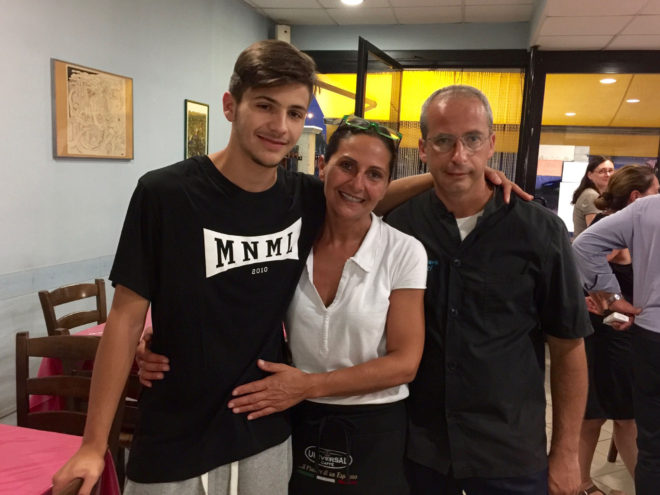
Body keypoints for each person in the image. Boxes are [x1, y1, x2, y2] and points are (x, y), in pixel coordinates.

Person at [53, 40, 522, 495]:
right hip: (174, 433)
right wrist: (94, 445)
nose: (280, 126)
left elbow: (363, 192)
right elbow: (124, 319)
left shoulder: (301, 198)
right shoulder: (165, 194)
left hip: (264, 431)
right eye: (264, 106)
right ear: (230, 105)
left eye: (295, 113)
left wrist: (464, 174)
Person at [386, 85, 591, 495]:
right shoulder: (399, 226)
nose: (459, 155)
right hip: (420, 448)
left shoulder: (540, 231)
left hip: (508, 450)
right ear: (423, 149)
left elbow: (568, 347)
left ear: (492, 144)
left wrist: (566, 454)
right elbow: (346, 205)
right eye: (444, 141)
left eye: (472, 139)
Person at [225, 116, 427, 494]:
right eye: (347, 166)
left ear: (385, 185)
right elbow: (234, 304)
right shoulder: (288, 241)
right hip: (295, 417)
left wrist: (309, 385)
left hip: (374, 426)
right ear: (323, 166)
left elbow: (405, 363)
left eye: (374, 174)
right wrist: (167, 334)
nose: (357, 184)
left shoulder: (403, 251)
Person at [577, 165, 658, 495]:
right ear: (637, 196)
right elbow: (580, 266)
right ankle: (581, 482)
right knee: (601, 412)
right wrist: (609, 301)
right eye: (656, 190)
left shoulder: (634, 222)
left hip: (631, 334)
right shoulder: (628, 229)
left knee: (626, 417)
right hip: (613, 334)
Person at [571, 155, 614, 238]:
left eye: (611, 171)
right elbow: (596, 233)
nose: (608, 174)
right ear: (590, 175)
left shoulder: (598, 195)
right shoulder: (591, 195)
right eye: (602, 171)